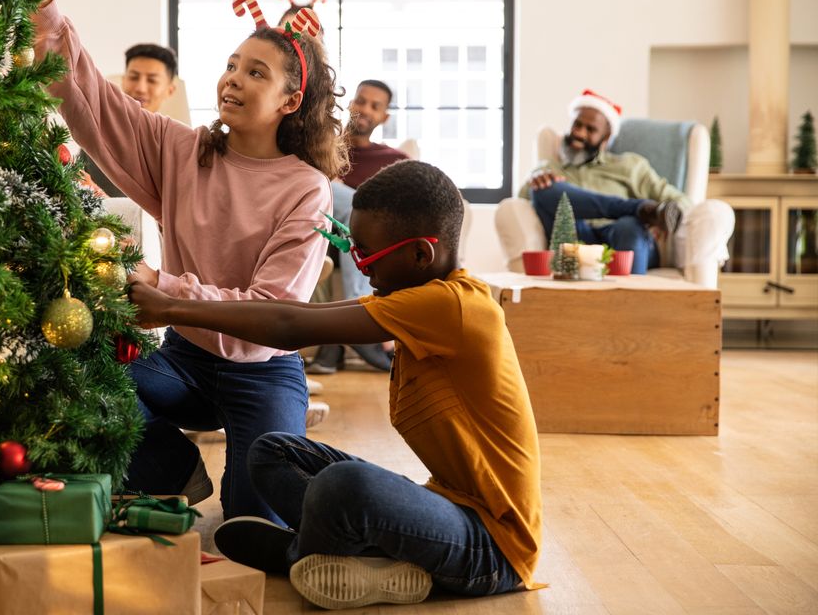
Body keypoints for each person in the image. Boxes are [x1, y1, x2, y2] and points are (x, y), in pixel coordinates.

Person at [127, 160, 541, 610]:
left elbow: (289, 325)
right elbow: (300, 315)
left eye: (366, 257)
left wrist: (171, 307)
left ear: (422, 255)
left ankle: (303, 553)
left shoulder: (452, 306)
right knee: (273, 451)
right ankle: (346, 557)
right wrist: (173, 306)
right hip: (446, 508)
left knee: (348, 485)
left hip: (493, 550)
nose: (362, 268)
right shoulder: (421, 299)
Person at [34, 0, 347, 522]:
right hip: (185, 360)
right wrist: (45, 10)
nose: (233, 78)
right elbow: (93, 100)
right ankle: (175, 472)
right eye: (231, 65)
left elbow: (270, 310)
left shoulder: (306, 188)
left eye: (255, 73)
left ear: (289, 101)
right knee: (79, 385)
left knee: (252, 521)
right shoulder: (182, 149)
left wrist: (164, 285)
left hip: (264, 373)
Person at [520, 89, 687, 274]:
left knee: (630, 226)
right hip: (577, 240)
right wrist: (534, 182)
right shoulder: (549, 168)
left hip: (624, 240)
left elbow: (680, 201)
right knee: (543, 188)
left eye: (590, 129)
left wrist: (660, 221)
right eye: (577, 124)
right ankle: (638, 208)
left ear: (606, 138)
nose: (580, 133)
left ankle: (631, 297)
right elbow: (521, 202)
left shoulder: (629, 166)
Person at [305, 79, 407, 374]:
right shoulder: (323, 147)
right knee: (334, 192)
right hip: (319, 235)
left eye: (375, 106)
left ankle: (331, 349)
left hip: (362, 246)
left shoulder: (393, 160)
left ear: (384, 117)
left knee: (361, 209)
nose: (365, 109)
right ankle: (359, 314)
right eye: (361, 101)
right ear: (350, 103)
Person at [85, 43, 182, 198]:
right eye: (134, 77)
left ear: (170, 90)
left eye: (152, 80)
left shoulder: (180, 148)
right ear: (123, 81)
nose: (140, 88)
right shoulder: (95, 139)